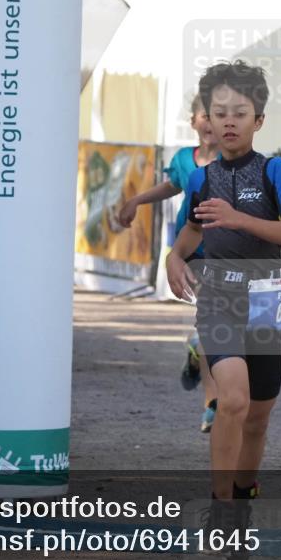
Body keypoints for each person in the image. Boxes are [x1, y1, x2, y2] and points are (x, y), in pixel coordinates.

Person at [166, 61, 281, 560]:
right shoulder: (200, 180)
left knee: (258, 419)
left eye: (240, 113)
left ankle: (242, 503)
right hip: (219, 299)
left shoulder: (274, 171)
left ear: (258, 120)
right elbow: (190, 233)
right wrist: (173, 259)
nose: (228, 121)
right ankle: (222, 509)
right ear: (207, 117)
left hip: (266, 300)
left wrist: (239, 218)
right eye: (219, 112)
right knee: (233, 402)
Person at [118, 95, 221, 433]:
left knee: (216, 326)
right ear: (193, 121)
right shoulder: (183, 160)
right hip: (192, 249)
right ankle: (211, 403)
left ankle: (196, 349)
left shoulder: (234, 162)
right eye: (204, 115)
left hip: (227, 250)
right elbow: (171, 186)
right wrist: (136, 200)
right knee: (211, 324)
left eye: (216, 116)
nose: (210, 122)